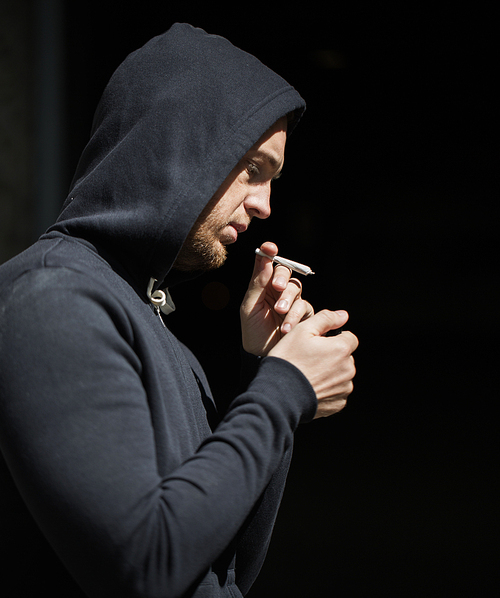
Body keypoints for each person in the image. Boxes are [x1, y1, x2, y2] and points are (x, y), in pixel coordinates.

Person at [0, 23, 358, 597]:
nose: (265, 205)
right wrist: (285, 390)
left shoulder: (142, 314)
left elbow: (226, 569)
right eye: (254, 169)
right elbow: (146, 565)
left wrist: (262, 371)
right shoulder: (51, 298)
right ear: (182, 142)